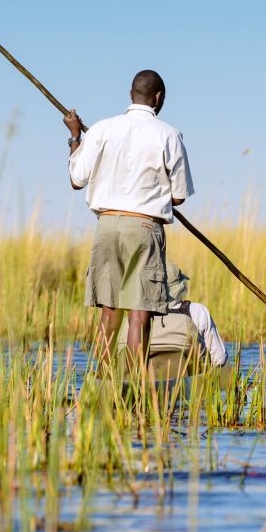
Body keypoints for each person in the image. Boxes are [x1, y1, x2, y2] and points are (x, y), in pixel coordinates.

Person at [65, 69, 194, 369]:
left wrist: (75, 137)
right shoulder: (169, 135)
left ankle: (103, 383)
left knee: (109, 311)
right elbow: (178, 197)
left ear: (130, 94)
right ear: (158, 98)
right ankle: (133, 389)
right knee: (140, 311)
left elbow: (76, 179)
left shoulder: (99, 130)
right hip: (144, 227)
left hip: (106, 226)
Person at [116, 261, 228, 378]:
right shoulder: (196, 313)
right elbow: (219, 359)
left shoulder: (130, 322)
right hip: (182, 384)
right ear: (180, 288)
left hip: (134, 382)